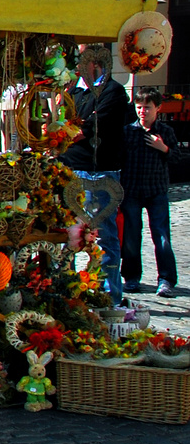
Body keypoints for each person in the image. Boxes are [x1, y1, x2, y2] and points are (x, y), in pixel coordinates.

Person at [72, 44, 129, 304]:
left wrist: (67, 131)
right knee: (69, 234)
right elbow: (69, 121)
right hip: (73, 169)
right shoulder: (76, 90)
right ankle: (68, 291)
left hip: (101, 173)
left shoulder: (113, 91)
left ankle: (110, 297)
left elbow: (90, 126)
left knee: (105, 236)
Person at [121, 90, 178, 297]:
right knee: (131, 236)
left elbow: (177, 158)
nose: (142, 111)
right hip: (132, 190)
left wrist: (163, 148)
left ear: (157, 108)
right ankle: (131, 277)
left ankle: (166, 279)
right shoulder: (128, 131)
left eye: (147, 107)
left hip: (156, 191)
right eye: (139, 107)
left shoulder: (165, 131)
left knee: (162, 236)